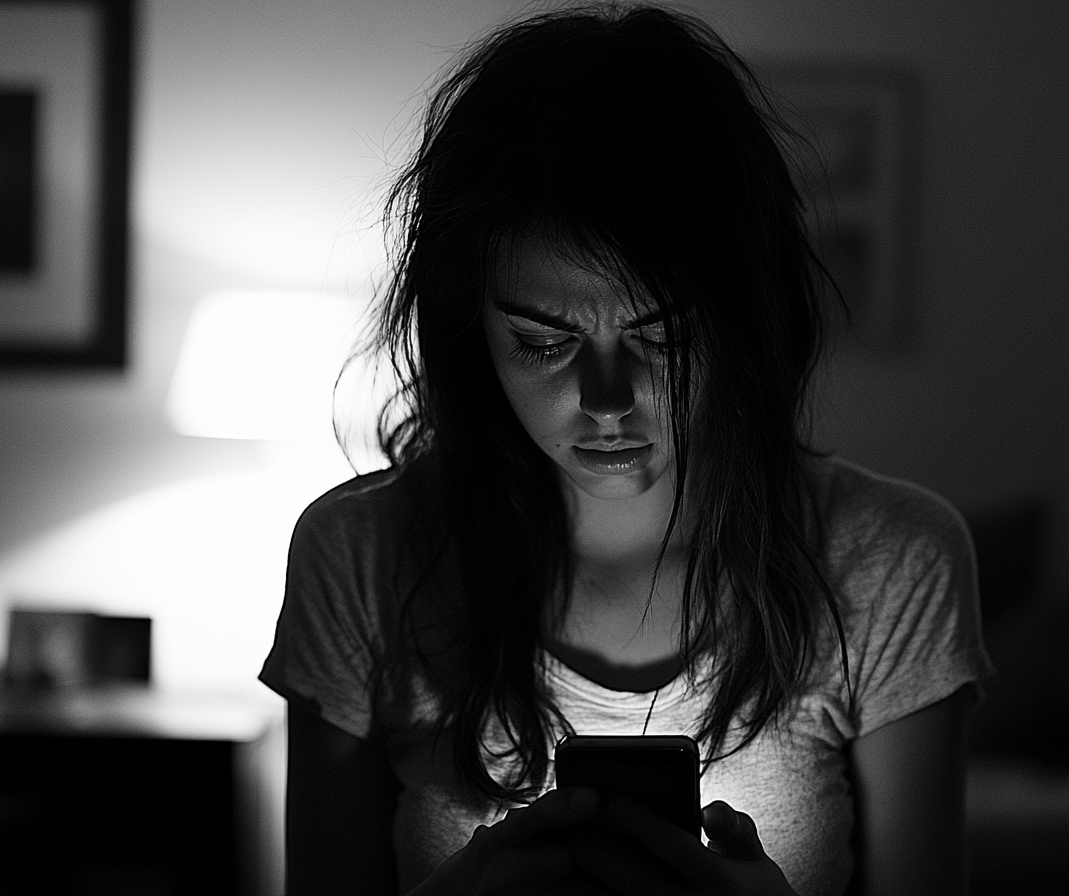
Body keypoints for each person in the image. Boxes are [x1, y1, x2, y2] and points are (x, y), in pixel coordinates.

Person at [260, 4, 991, 894]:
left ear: (742, 319)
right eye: (542, 340)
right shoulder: (362, 556)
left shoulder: (892, 561)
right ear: (469, 328)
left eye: (665, 337)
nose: (606, 398)